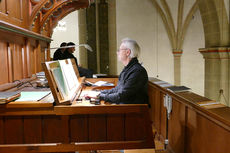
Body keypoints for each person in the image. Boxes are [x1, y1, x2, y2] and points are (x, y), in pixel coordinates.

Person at [98, 38, 149, 104]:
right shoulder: (128, 69)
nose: (117, 53)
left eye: (119, 50)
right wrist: (100, 92)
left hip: (131, 110)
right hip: (124, 106)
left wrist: (100, 96)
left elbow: (122, 95)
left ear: (128, 52)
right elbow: (117, 89)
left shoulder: (137, 71)